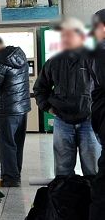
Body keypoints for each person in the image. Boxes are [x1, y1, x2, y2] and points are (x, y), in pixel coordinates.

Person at [56, 9, 105, 220]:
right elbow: (42, 87)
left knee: (99, 189)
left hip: (91, 124)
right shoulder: (57, 61)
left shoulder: (99, 54)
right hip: (68, 120)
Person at [34, 17, 101, 177]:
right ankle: (65, 200)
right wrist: (49, 108)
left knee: (93, 169)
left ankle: (94, 201)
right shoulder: (53, 62)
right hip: (62, 122)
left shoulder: (94, 60)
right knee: (63, 170)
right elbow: (40, 88)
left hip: (89, 122)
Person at [0, 33, 31, 187]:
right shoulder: (20, 57)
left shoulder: (0, 61)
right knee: (17, 143)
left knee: (6, 144)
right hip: (22, 108)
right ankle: (15, 173)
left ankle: (10, 178)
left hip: (7, 109)